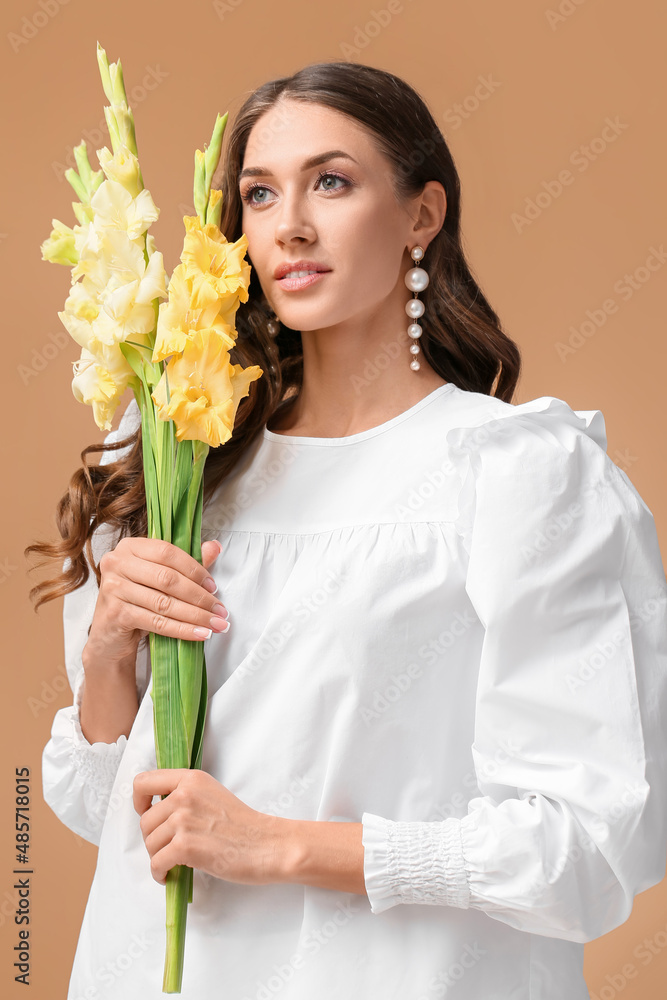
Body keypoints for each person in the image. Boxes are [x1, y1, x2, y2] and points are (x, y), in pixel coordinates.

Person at [29, 61, 667, 999]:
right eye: (258, 193)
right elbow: (112, 816)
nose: (289, 223)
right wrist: (109, 660)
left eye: (330, 181)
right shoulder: (183, 463)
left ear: (423, 213)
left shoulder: (519, 474)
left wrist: (283, 845)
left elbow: (589, 846)